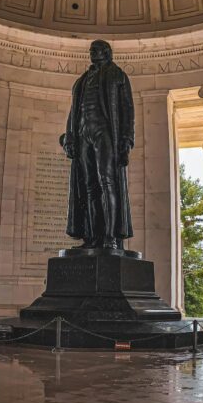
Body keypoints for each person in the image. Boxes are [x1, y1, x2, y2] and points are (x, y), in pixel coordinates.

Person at [60, 40, 134, 250]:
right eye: (91, 50)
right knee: (89, 187)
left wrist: (126, 140)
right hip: (84, 132)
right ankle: (93, 237)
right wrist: (70, 137)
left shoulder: (117, 75)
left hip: (105, 132)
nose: (92, 53)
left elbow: (127, 109)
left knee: (107, 182)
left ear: (107, 52)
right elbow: (74, 111)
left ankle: (110, 236)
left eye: (96, 50)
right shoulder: (82, 80)